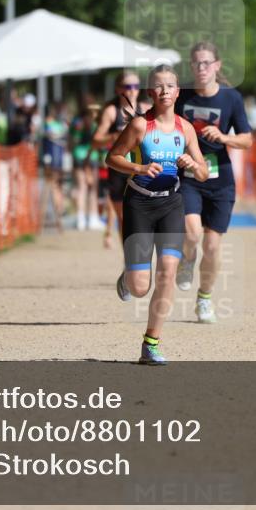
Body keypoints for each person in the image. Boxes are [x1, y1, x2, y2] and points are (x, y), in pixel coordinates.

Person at [106, 65, 209, 365]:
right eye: (159, 86)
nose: (164, 91)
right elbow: (111, 157)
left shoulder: (185, 129)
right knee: (140, 288)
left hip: (171, 203)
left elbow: (203, 173)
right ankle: (128, 278)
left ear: (178, 92)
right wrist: (138, 168)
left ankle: (151, 343)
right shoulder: (140, 125)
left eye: (170, 86)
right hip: (139, 203)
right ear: (151, 92)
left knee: (167, 272)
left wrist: (192, 163)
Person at [175, 42, 253, 323]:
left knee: (212, 246)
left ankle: (204, 298)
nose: (201, 68)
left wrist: (224, 138)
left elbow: (247, 139)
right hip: (189, 176)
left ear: (217, 66)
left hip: (221, 181)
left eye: (207, 63)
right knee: (192, 232)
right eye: (196, 63)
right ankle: (186, 259)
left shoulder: (231, 98)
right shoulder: (180, 96)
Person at [93, 71, 143, 245]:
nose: (132, 90)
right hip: (119, 170)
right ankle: (129, 261)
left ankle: (138, 261)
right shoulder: (112, 112)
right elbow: (96, 140)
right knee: (123, 219)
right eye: (127, 87)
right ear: (118, 89)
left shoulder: (145, 108)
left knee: (143, 217)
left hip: (142, 169)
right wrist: (114, 136)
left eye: (136, 86)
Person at [70, 101, 104, 230]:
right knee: (92, 188)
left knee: (81, 187)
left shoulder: (76, 122)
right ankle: (92, 218)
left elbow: (72, 140)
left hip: (78, 155)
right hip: (92, 156)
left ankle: (80, 218)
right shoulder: (95, 123)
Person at [40, 103, 69, 232]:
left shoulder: (59, 124)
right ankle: (57, 215)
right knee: (53, 185)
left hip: (58, 159)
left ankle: (59, 213)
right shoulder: (49, 124)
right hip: (52, 160)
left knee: (57, 185)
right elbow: (51, 135)